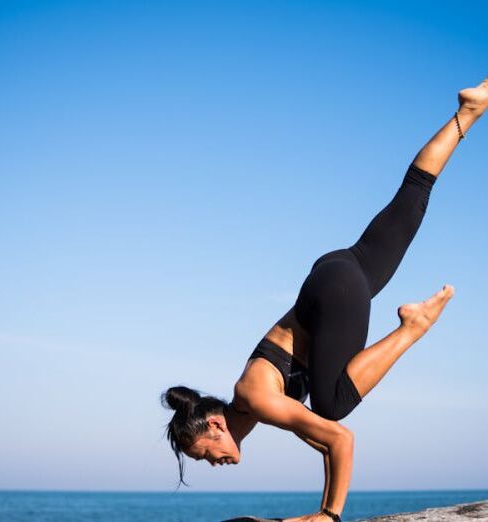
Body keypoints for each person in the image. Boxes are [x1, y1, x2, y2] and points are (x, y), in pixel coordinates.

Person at [161, 76, 488, 522]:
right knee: (412, 198)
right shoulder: (250, 406)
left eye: (202, 454)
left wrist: (328, 516)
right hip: (337, 275)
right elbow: (316, 438)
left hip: (334, 294)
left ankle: (412, 328)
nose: (211, 463)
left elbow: (339, 438)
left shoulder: (253, 398)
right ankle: (469, 112)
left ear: (215, 426)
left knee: (331, 406)